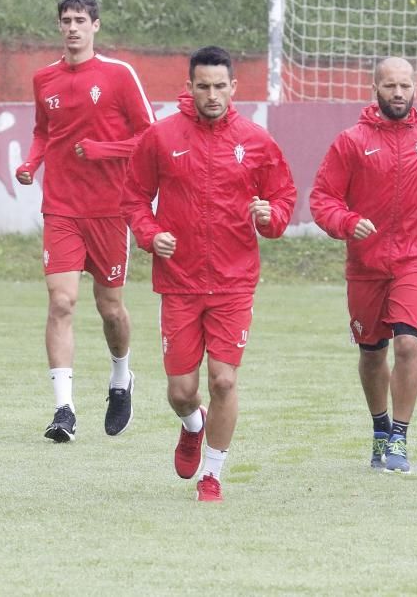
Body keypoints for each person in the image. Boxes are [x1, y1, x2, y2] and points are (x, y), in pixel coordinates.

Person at [122, 46, 297, 502]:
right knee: (182, 390)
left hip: (233, 282)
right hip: (179, 282)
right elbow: (135, 198)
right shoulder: (161, 137)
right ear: (190, 87)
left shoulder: (257, 141)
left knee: (223, 380)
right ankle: (192, 424)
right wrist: (150, 233)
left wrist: (268, 216)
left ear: (234, 88)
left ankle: (212, 475)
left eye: (221, 86)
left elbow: (282, 200)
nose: (212, 94)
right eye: (204, 86)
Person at [15, 0, 155, 442]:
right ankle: (63, 409)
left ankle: (121, 377)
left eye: (80, 20)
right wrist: (31, 163)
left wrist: (104, 150)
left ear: (96, 25)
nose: (72, 27)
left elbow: (150, 139)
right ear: (58, 26)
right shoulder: (44, 79)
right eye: (65, 20)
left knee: (109, 307)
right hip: (61, 209)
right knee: (61, 302)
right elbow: (42, 131)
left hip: (111, 209)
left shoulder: (118, 75)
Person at [310, 58, 417, 474]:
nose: (398, 93)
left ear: (416, 88)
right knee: (373, 354)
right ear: (374, 87)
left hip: (415, 259)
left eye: (405, 86)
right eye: (390, 85)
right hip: (366, 266)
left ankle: (400, 436)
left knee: (409, 344)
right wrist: (348, 222)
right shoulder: (351, 141)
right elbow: (323, 199)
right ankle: (379, 428)